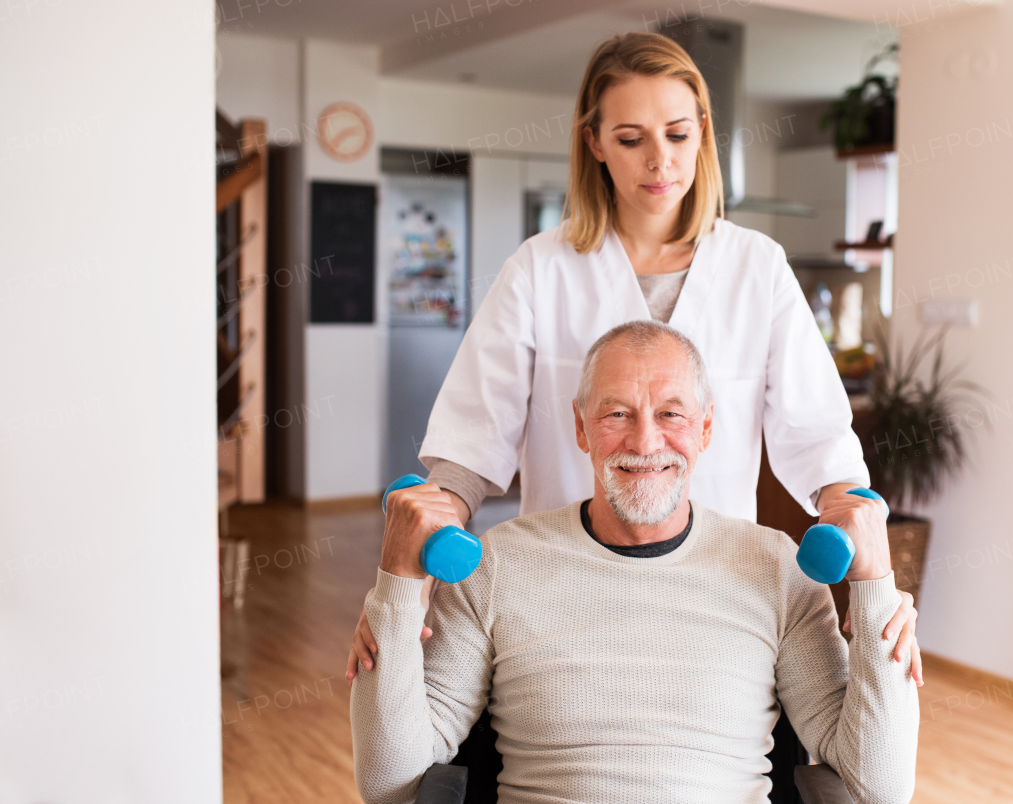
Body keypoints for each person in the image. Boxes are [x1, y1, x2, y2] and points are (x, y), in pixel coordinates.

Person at [346, 31, 923, 683]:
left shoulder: (755, 267)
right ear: (593, 142)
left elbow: (818, 438)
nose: (659, 161)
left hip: (717, 589)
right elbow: (472, 440)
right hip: (562, 586)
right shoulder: (540, 269)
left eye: (677, 135)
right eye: (630, 139)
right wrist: (408, 568)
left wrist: (867, 547)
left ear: (703, 132)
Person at [351, 322, 919, 804]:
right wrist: (397, 587)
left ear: (705, 428)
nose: (645, 442)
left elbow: (879, 788)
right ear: (580, 427)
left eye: (671, 413)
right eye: (617, 413)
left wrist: (876, 592)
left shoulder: (778, 569)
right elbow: (389, 782)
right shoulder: (499, 564)